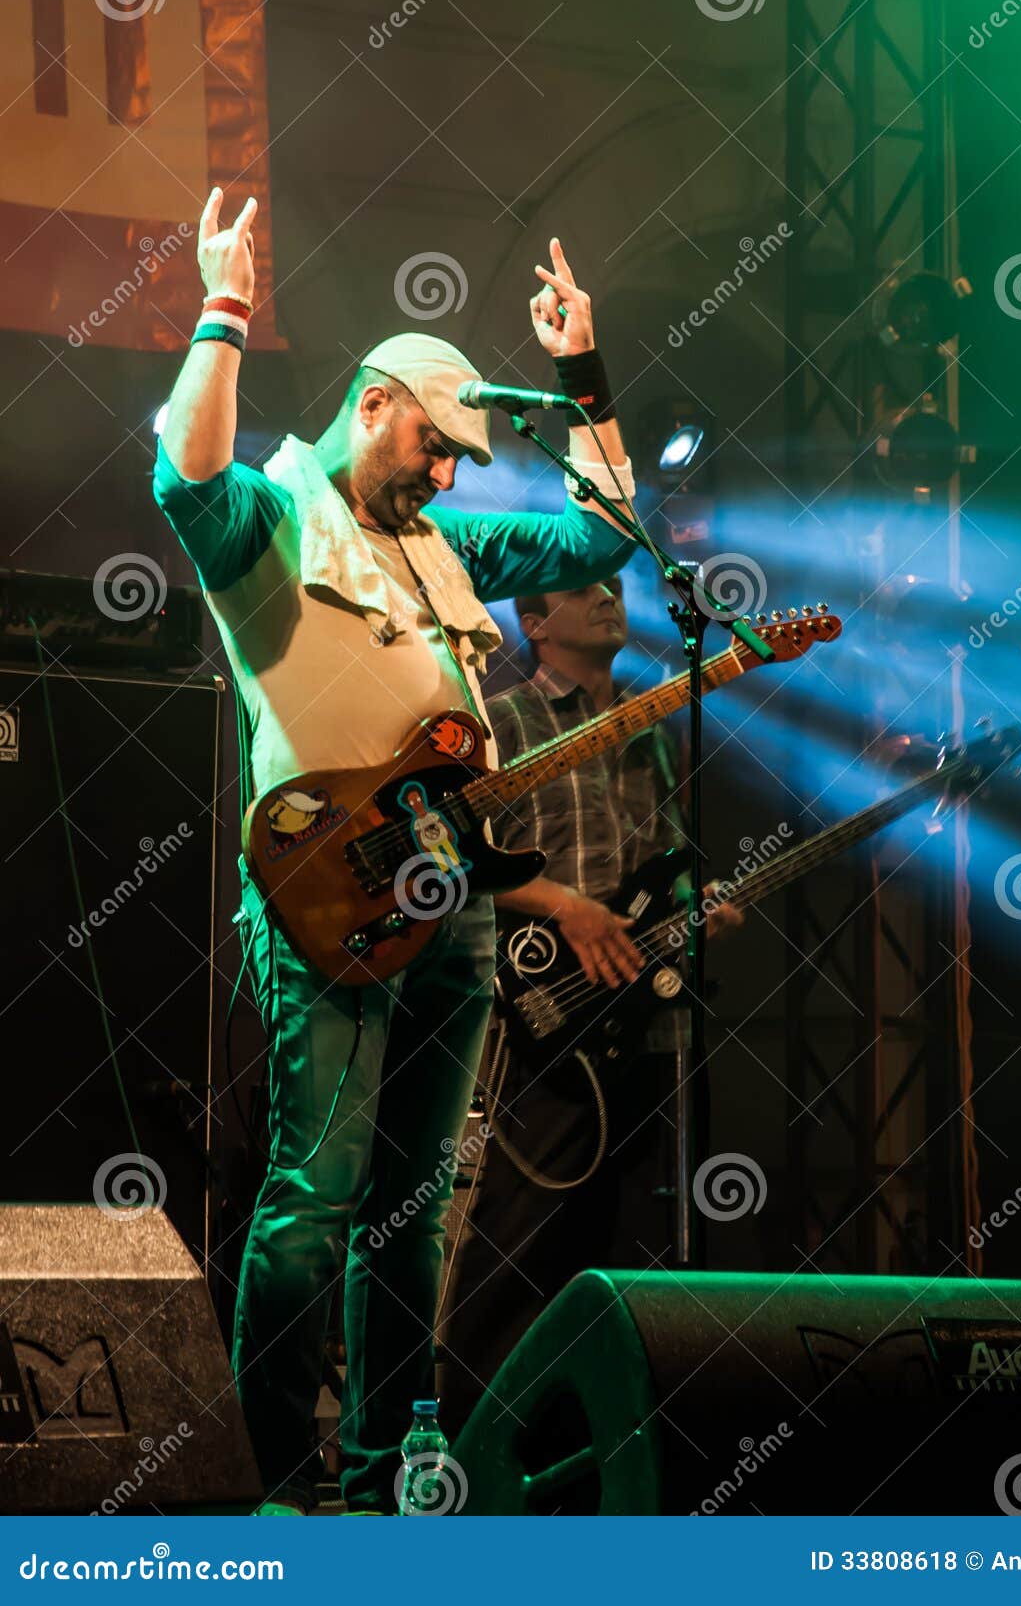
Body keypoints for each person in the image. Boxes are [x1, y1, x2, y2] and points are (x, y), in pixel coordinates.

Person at [153, 188, 640, 1514]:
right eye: (432, 447)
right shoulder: (270, 515)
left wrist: (582, 374)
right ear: (373, 405)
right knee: (313, 1201)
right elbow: (182, 476)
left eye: (457, 462)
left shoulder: (446, 545)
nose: (445, 477)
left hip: (451, 899)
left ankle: (374, 1483)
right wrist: (224, 305)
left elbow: (596, 536)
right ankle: (268, 1487)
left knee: (412, 1210)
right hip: (326, 895)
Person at [438, 574, 742, 1435]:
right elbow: (445, 860)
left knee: (628, 1244)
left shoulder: (652, 724)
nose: (609, 596)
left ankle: (599, 1449)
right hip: (545, 1016)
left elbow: (667, 855)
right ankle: (475, 1448)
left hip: (645, 1014)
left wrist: (696, 903)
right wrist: (564, 907)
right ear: (534, 624)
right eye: (583, 589)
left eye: (614, 584)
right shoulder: (504, 723)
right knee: (520, 1242)